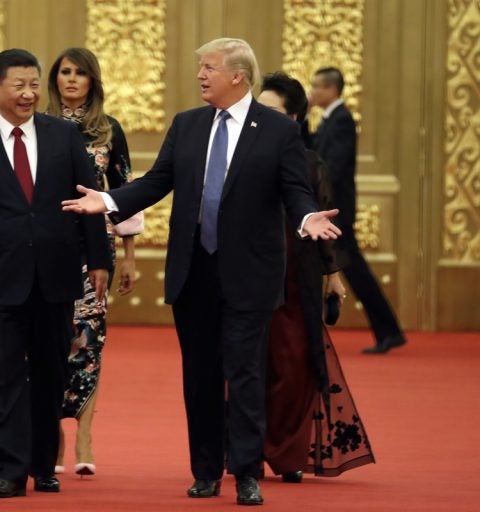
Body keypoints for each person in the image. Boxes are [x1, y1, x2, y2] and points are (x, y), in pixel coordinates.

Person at [62, 38, 342, 506]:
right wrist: (108, 200)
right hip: (195, 271)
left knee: (246, 372)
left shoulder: (276, 129)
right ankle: (206, 471)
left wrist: (307, 216)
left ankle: (247, 472)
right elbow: (157, 180)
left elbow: (296, 191)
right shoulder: (188, 124)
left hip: (250, 273)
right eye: (200, 68)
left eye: (209, 68)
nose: (200, 76)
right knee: (201, 375)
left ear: (238, 75)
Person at [0, 48, 112, 498]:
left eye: (34, 84)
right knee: (2, 379)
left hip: (55, 276)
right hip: (0, 279)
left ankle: (44, 465)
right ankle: (7, 470)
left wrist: (98, 260)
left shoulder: (63, 136)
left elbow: (89, 200)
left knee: (49, 375)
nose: (29, 94)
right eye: (18, 85)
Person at [258, 71, 375, 482]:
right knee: (249, 364)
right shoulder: (241, 156)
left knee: (293, 366)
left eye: (270, 111)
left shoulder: (310, 162)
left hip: (297, 277)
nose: (258, 116)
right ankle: (247, 447)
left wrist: (334, 274)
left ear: (292, 119)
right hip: (251, 275)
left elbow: (323, 217)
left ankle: (288, 453)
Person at [47, 47, 142, 477]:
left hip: (95, 251)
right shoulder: (37, 124)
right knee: (47, 342)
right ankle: (54, 435)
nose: (71, 80)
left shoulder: (108, 130)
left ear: (92, 81)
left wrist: (130, 257)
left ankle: (85, 435)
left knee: (88, 344)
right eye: (65, 72)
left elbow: (125, 191)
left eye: (79, 73)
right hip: (45, 247)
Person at [308, 67, 407, 354]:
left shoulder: (341, 120)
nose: (313, 92)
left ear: (332, 90)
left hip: (336, 210)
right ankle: (389, 331)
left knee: (354, 271)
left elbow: (332, 167)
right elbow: (311, 149)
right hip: (331, 209)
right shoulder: (328, 120)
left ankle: (388, 330)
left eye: (317, 87)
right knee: (347, 270)